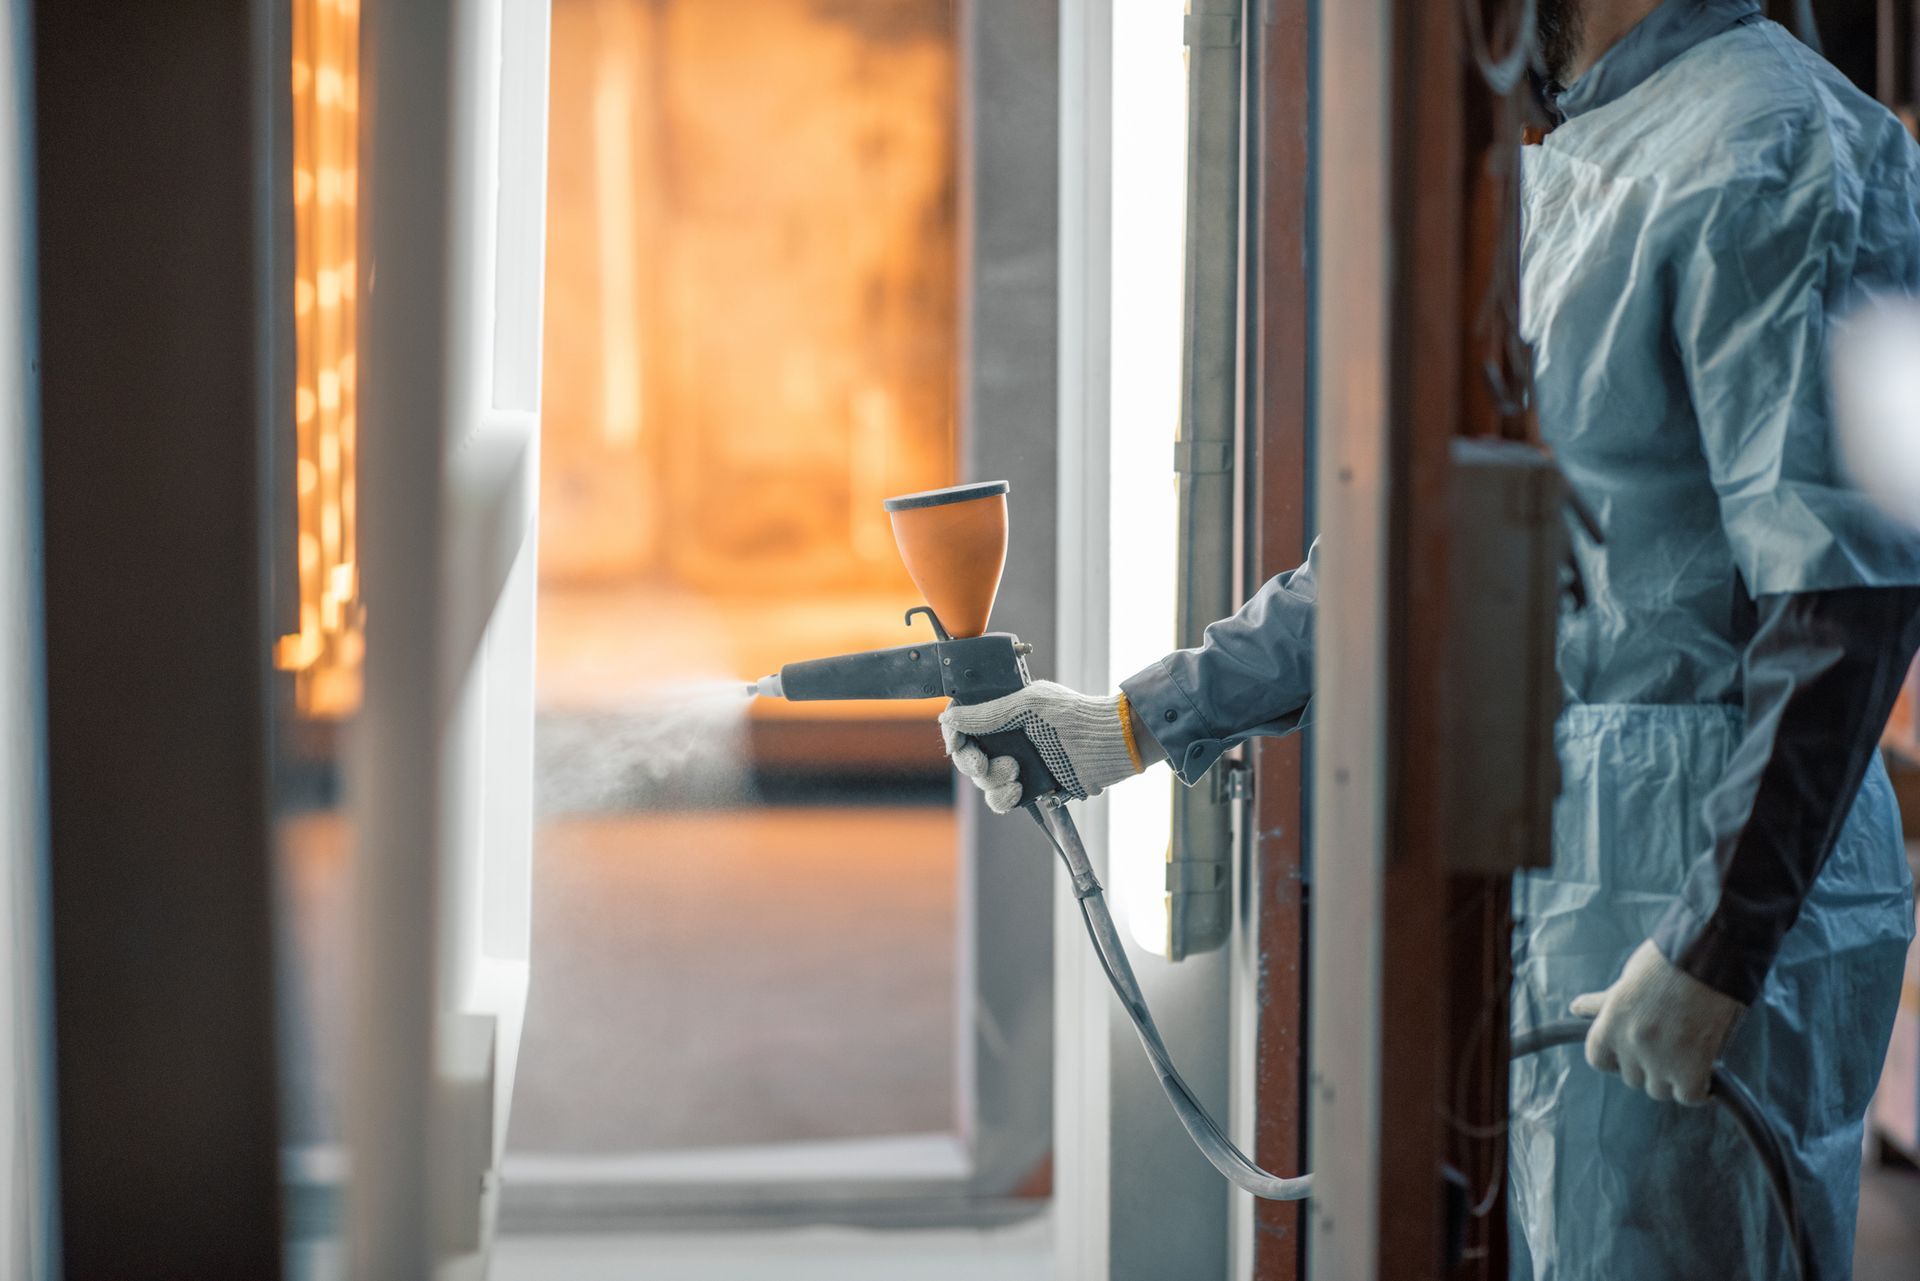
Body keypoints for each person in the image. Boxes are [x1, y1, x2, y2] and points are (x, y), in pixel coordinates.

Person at [939, 1, 1920, 1276]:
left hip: (1694, 866)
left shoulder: (1790, 150)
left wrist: (1717, 943)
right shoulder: (1584, 153)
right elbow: (1407, 551)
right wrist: (1129, 722)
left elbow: (1845, 591)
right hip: (1575, 868)